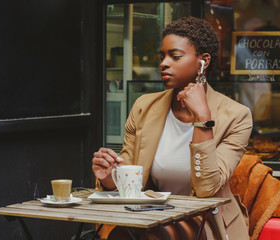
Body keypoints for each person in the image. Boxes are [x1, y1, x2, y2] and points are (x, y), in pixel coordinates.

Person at [92, 16, 252, 240]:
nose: (164, 63)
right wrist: (110, 177)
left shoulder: (236, 116)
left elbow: (207, 187)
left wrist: (202, 118)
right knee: (121, 234)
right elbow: (129, 174)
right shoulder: (144, 107)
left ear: (202, 62)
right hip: (154, 217)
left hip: (207, 222)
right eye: (162, 56)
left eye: (175, 56)